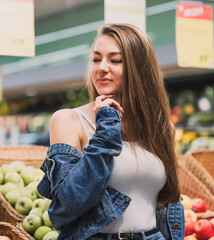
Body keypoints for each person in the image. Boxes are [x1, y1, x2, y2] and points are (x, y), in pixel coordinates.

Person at [37, 23, 185, 240]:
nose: (102, 67)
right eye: (96, 59)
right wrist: (106, 125)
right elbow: (67, 205)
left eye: (115, 60)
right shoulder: (68, 120)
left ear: (140, 69)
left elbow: (164, 203)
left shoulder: (161, 129)